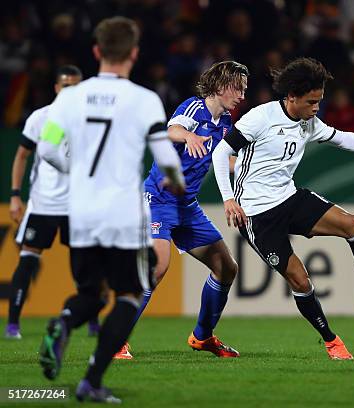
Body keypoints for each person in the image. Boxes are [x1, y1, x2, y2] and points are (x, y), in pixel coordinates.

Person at [212, 57, 354, 360]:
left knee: (352, 224)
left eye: (320, 100)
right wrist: (228, 199)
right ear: (291, 97)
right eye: (311, 102)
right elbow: (222, 151)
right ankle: (331, 341)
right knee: (300, 280)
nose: (316, 107)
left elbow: (341, 138)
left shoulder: (309, 121)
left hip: (289, 198)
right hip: (256, 212)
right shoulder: (260, 118)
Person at [37, 16, 184, 402]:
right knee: (129, 296)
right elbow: (165, 154)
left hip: (81, 211)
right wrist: (177, 180)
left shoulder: (68, 98)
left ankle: (64, 323)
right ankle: (91, 380)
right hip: (123, 214)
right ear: (134, 54)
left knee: (90, 294)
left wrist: (78, 172)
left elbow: (48, 147)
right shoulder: (144, 99)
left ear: (97, 51)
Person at [126, 60, 249, 359]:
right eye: (239, 88)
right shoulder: (195, 108)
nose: (243, 95)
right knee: (158, 266)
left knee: (226, 268)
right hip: (158, 200)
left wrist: (252, 168)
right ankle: (116, 337)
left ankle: (203, 337)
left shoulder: (225, 123)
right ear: (221, 86)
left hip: (187, 206)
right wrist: (189, 136)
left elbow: (224, 160)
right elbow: (172, 129)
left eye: (245, 89)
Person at [5, 65, 103, 340]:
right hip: (44, 203)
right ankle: (13, 324)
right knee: (28, 259)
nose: (70, 91)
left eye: (75, 85)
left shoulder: (91, 119)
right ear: (56, 89)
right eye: (65, 85)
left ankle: (92, 320)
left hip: (78, 204)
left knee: (85, 265)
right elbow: (24, 155)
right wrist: (15, 196)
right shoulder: (42, 118)